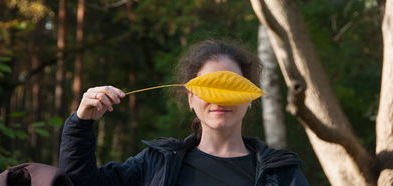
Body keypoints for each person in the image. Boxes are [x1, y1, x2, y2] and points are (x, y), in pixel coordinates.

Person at [59, 39, 309, 186]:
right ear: (190, 98)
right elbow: (78, 184)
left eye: (230, 86)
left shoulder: (281, 174)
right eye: (209, 87)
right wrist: (81, 124)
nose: (219, 98)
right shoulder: (155, 164)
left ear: (250, 97)